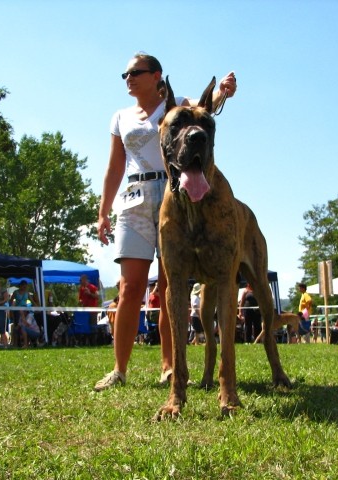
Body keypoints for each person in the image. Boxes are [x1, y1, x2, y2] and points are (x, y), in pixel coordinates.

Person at [94, 52, 236, 391]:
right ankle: (119, 369)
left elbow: (205, 109)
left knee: (172, 287)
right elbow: (115, 166)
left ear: (156, 75)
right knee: (129, 288)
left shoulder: (177, 104)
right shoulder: (121, 117)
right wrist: (103, 210)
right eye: (125, 73)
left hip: (175, 190)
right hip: (135, 198)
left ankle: (170, 367)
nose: (128, 78)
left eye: (135, 72)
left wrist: (223, 93)